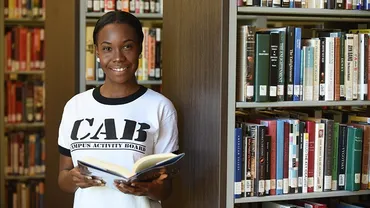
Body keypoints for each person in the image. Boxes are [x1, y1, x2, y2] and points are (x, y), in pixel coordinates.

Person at [57, 10, 179, 208]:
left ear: (140, 48)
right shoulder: (75, 106)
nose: (118, 58)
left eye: (127, 47)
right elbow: (63, 179)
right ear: (97, 52)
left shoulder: (160, 107)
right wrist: (74, 178)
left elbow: (166, 188)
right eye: (107, 48)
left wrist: (146, 188)